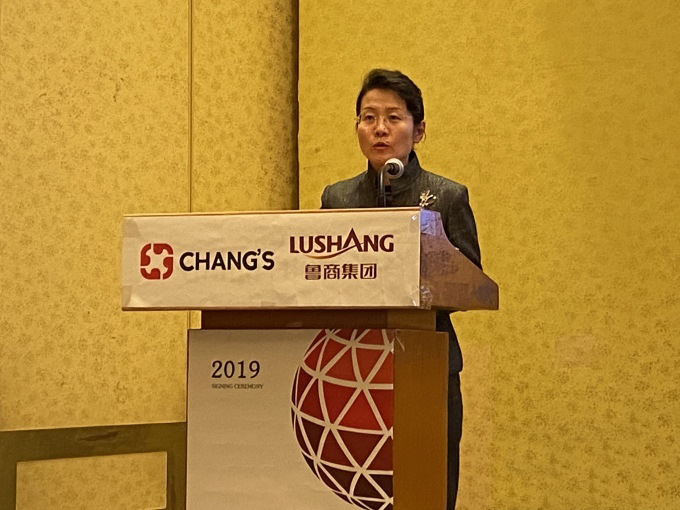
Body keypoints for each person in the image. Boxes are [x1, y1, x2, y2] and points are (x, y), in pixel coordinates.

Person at [320, 68, 482, 509]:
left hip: (427, 363)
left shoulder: (446, 196)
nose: (380, 128)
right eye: (368, 117)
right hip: (353, 365)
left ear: (419, 130)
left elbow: (471, 280)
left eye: (393, 117)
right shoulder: (337, 199)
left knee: (427, 487)